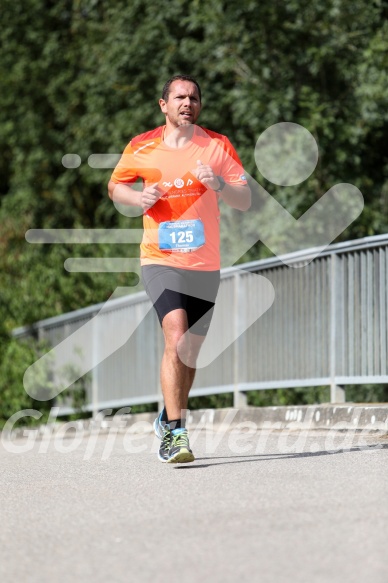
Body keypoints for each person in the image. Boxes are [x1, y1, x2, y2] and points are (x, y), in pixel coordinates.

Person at [108, 74, 251, 464]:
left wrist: (220, 184)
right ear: (164, 105)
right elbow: (115, 186)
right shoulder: (142, 146)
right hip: (161, 258)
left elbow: (244, 199)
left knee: (189, 353)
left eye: (193, 98)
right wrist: (138, 197)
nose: (187, 103)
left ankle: (170, 415)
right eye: (179, 97)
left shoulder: (217, 146)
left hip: (205, 263)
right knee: (176, 337)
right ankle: (175, 433)